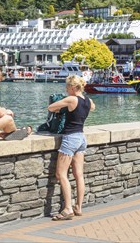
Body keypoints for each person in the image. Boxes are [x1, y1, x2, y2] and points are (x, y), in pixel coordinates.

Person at [48, 75, 96, 221]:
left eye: (67, 87)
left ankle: (68, 208)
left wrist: (61, 107)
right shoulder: (88, 100)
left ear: (74, 87)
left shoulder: (71, 99)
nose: (66, 89)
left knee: (61, 174)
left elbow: (51, 107)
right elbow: (92, 108)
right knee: (79, 175)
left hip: (71, 138)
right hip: (81, 137)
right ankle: (79, 207)